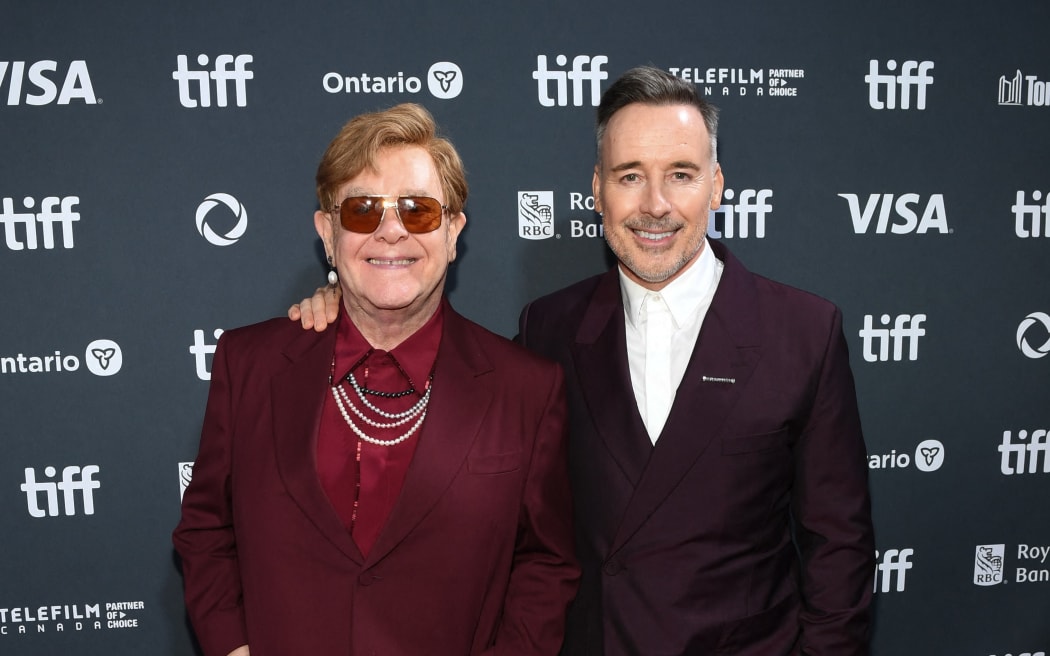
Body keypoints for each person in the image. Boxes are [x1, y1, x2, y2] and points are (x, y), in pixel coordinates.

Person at [293, 68, 874, 655]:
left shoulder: (802, 332)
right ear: (596, 189)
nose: (655, 205)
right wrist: (354, 309)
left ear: (717, 185)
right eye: (630, 176)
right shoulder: (548, 328)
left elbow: (839, 549)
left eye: (681, 175)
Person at [175, 103, 579, 656]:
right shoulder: (249, 363)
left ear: (454, 230)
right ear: (327, 230)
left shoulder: (526, 389)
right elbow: (206, 531)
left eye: (418, 211)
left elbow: (545, 562)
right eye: (363, 211)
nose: (391, 232)